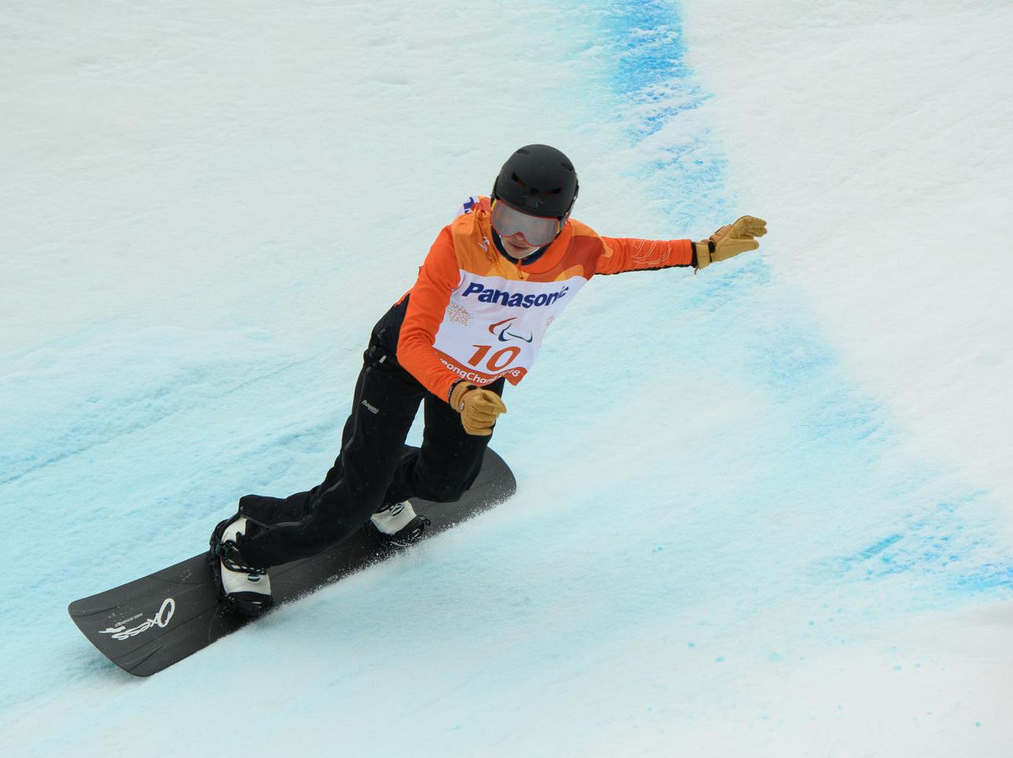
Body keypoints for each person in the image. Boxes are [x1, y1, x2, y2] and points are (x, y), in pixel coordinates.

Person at [211, 144, 767, 614]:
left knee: (447, 484)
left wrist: (704, 250)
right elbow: (412, 343)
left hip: (481, 373)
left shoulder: (582, 249)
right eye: (508, 218)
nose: (519, 237)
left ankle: (382, 493)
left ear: (563, 224)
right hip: (406, 364)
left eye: (537, 226)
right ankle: (249, 544)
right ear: (493, 205)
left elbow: (633, 253)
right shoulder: (457, 242)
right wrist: (456, 390)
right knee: (343, 510)